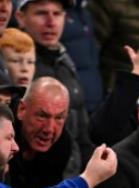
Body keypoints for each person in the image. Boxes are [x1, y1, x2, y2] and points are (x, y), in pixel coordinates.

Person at [16, 0, 92, 168]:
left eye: (57, 14)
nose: (51, 22)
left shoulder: (66, 60)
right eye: (41, 13)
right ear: (21, 18)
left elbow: (82, 133)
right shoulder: (16, 67)